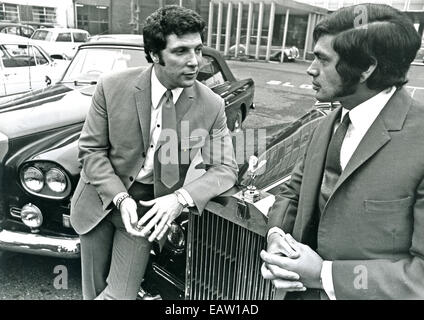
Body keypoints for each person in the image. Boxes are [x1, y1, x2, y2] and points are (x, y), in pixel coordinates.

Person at [70, 5, 238, 300]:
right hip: (98, 200)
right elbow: (91, 151)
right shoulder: (111, 87)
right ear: (154, 54)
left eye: (198, 50)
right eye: (181, 51)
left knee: (120, 295)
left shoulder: (211, 104)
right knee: (93, 292)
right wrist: (120, 198)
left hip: (147, 212)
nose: (194, 62)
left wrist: (180, 199)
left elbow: (225, 169)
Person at [260, 3, 424, 300]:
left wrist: (324, 275)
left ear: (366, 69)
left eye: (323, 59)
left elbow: (420, 278)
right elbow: (293, 194)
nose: (310, 69)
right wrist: (276, 238)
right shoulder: (328, 122)